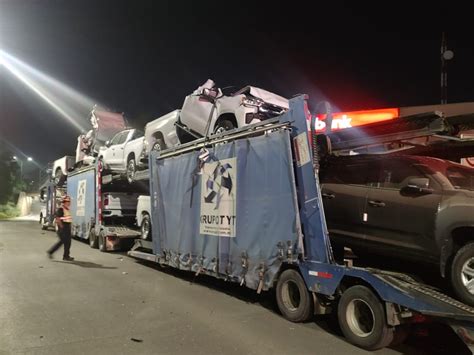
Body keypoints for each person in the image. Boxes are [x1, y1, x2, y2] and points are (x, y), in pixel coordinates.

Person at [47, 195, 74, 261]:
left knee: (68, 242)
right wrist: (62, 227)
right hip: (63, 228)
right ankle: (51, 252)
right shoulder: (61, 209)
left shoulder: (67, 209)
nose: (69, 203)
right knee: (63, 242)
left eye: (69, 201)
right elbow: (58, 218)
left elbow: (67, 218)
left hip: (67, 227)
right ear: (64, 202)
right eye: (68, 201)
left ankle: (66, 256)